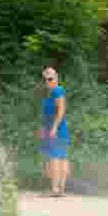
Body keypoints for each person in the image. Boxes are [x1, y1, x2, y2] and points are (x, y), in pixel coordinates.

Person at [37, 67, 70, 197]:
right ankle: (60, 189)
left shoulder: (57, 90)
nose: (47, 82)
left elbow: (61, 110)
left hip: (56, 129)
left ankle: (55, 189)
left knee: (55, 158)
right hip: (50, 129)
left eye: (50, 79)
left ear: (56, 78)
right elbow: (46, 114)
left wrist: (54, 127)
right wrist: (42, 127)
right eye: (45, 79)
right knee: (60, 157)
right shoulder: (49, 94)